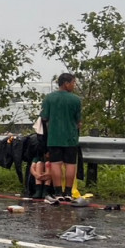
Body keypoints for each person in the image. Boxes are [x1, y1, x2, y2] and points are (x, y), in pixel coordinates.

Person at [40, 73, 82, 202]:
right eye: (73, 83)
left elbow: (44, 118)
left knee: (56, 164)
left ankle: (58, 193)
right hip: (70, 137)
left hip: (54, 137)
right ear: (66, 83)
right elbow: (78, 122)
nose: (74, 85)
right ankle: (68, 192)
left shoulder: (49, 99)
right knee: (70, 164)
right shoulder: (76, 100)